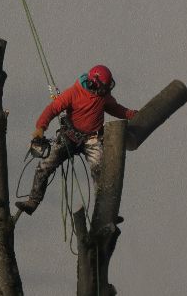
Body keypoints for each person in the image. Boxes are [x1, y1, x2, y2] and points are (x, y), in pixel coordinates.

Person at [15, 64, 137, 216]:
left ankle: (106, 213)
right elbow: (52, 109)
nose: (105, 92)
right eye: (103, 89)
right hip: (69, 136)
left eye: (107, 89)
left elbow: (115, 108)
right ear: (93, 83)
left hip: (92, 139)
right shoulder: (74, 93)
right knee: (45, 166)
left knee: (101, 173)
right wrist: (41, 127)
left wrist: (132, 114)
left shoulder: (104, 96)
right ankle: (33, 201)